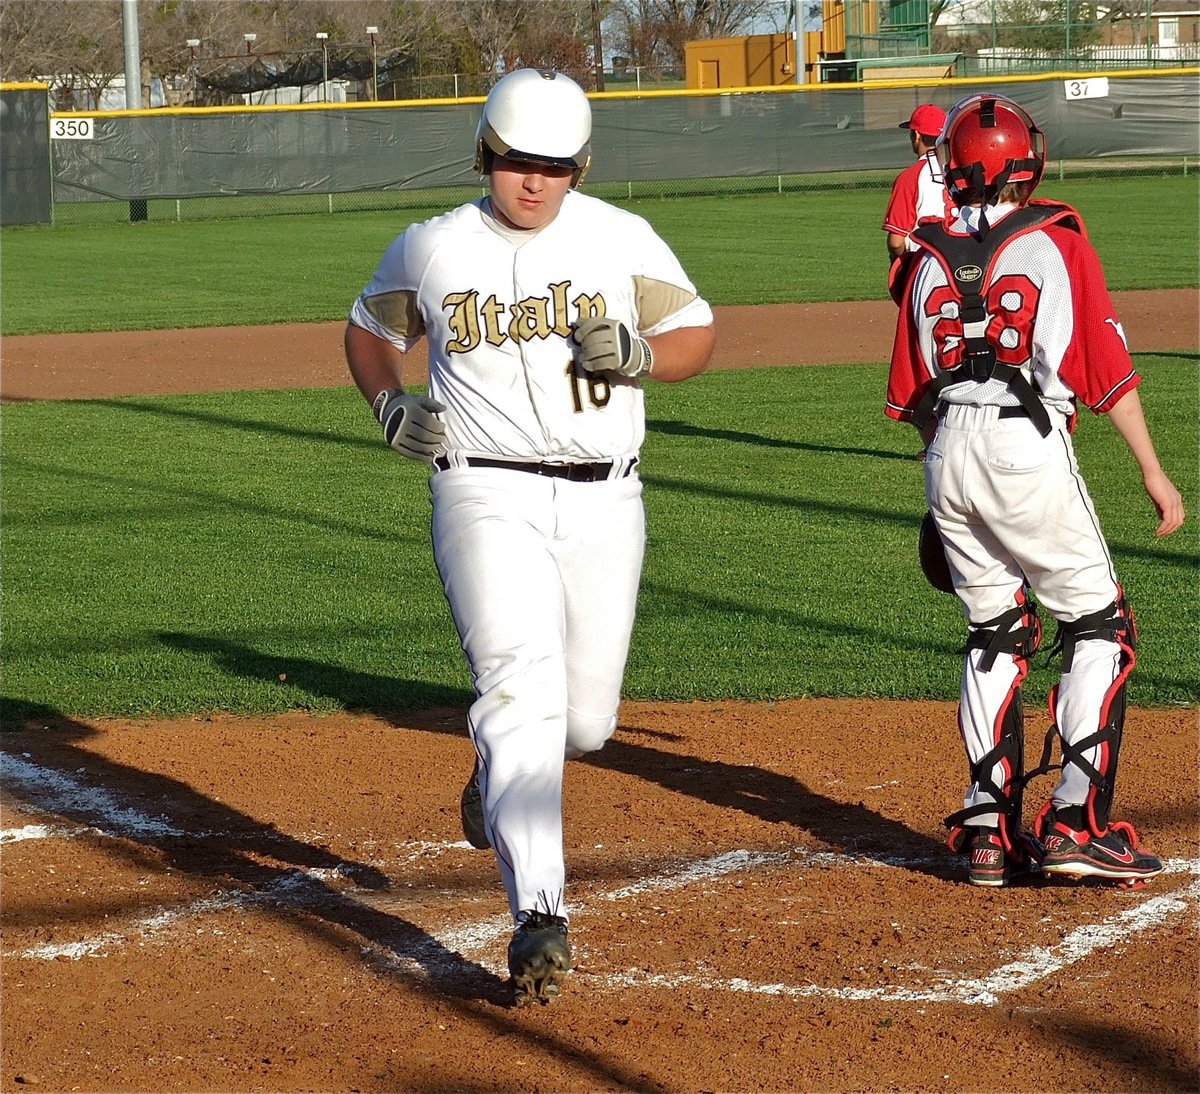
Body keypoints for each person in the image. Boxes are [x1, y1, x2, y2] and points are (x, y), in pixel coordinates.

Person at [344, 68, 715, 1003]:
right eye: (518, 163)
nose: (535, 182)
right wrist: (389, 401)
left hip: (606, 498)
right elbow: (369, 330)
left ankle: (493, 768)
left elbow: (697, 333)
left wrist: (643, 353)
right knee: (521, 692)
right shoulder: (433, 245)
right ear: (485, 154)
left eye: (556, 167)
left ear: (581, 166)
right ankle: (539, 913)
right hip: (482, 490)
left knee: (585, 723)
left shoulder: (620, 237)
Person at [885, 93, 1185, 888]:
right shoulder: (1056, 240)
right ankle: (1077, 823)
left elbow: (913, 393)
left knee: (994, 629)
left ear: (953, 168)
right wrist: (1153, 470)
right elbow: (1105, 370)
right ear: (1027, 165)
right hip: (1026, 448)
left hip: (946, 448)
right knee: (1099, 622)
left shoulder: (924, 257)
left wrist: (948, 485)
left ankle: (987, 830)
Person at [882, 103, 951, 263]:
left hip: (923, 262)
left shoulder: (910, 177)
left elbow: (896, 242)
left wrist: (902, 262)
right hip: (963, 262)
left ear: (916, 135)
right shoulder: (961, 170)